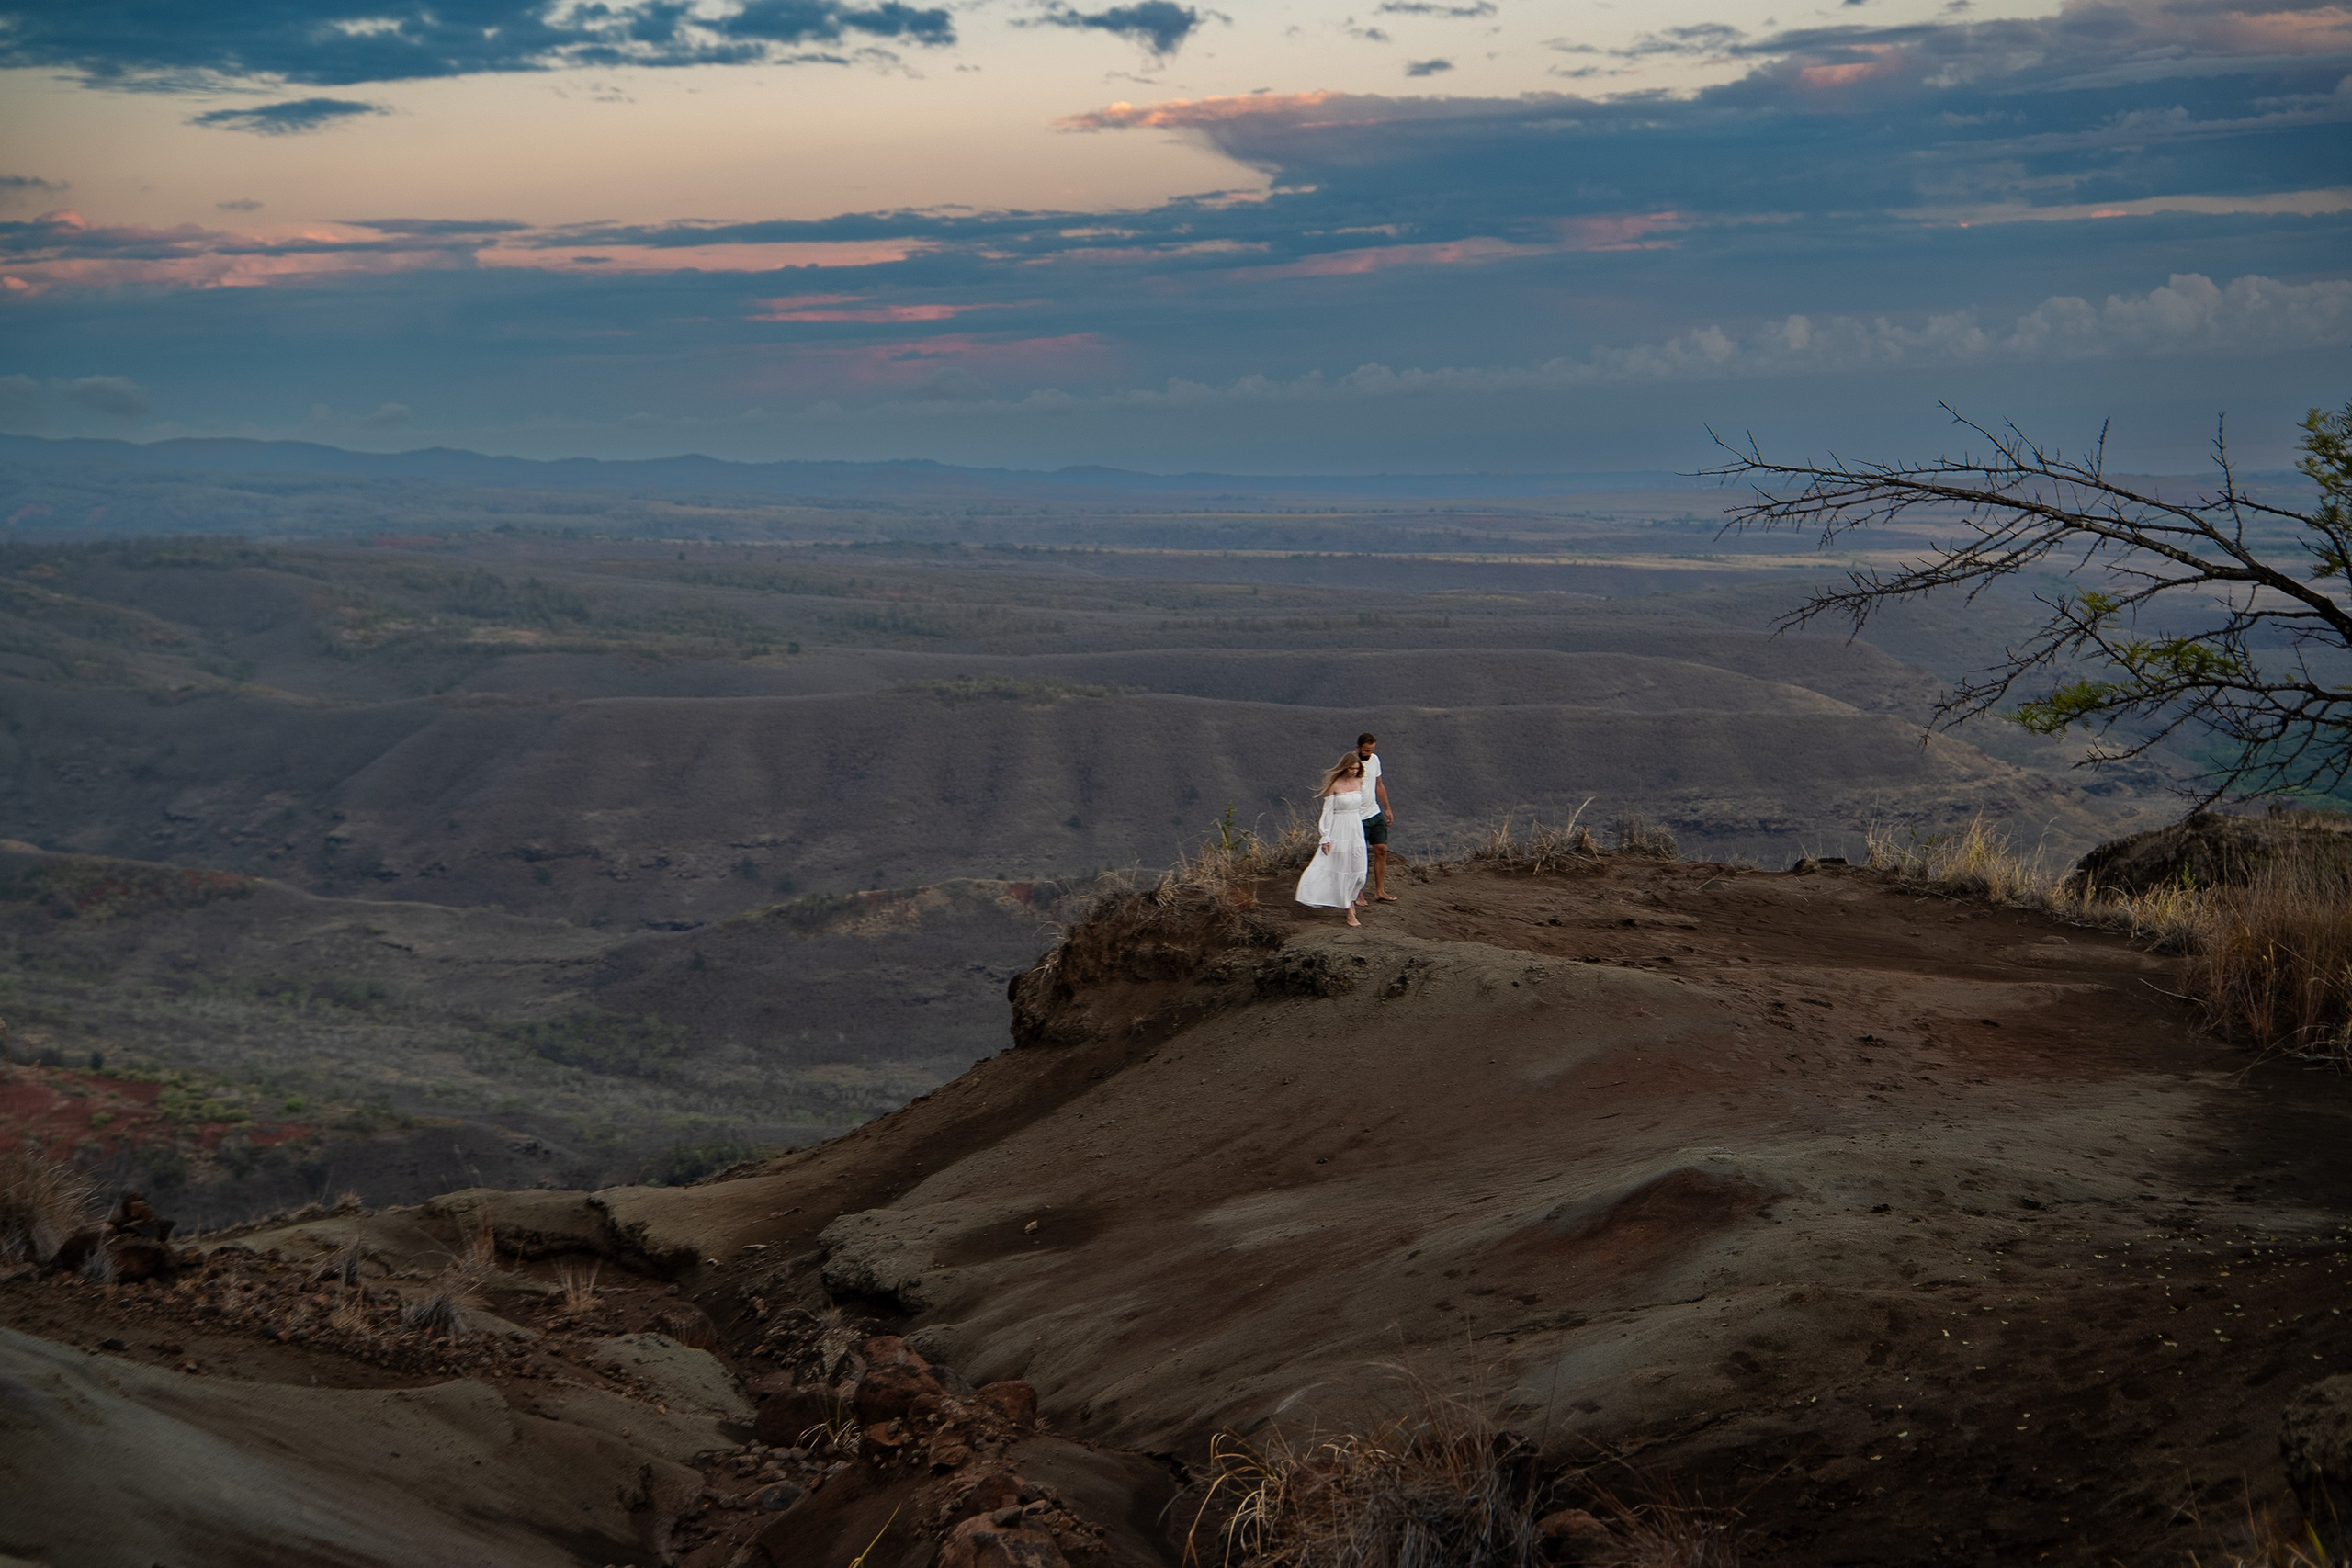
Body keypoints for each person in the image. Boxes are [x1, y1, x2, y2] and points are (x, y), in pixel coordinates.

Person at [1294, 751, 1370, 925]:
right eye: (1351, 768)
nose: (1354, 771)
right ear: (1345, 767)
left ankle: (1351, 898)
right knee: (1342, 868)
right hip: (1339, 829)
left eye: (1357, 769)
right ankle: (1349, 910)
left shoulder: (1360, 782)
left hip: (1356, 829)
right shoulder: (1334, 785)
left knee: (1359, 873)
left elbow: (1363, 806)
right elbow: (1327, 814)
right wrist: (1325, 837)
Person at [1353, 732, 1397, 902]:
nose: (1369, 753)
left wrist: (1387, 808)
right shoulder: (1351, 764)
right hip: (1357, 816)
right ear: (1358, 748)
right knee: (1359, 855)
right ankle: (1358, 892)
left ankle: (1380, 891)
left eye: (1371, 750)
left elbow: (1379, 784)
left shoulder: (1375, 760)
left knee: (1381, 849)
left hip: (1374, 812)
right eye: (1366, 750)